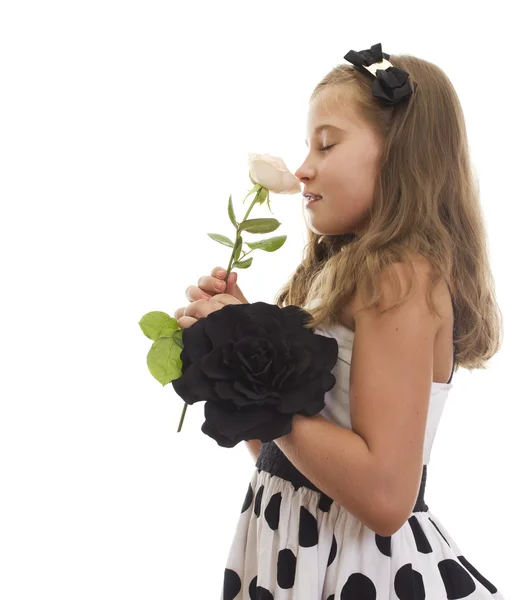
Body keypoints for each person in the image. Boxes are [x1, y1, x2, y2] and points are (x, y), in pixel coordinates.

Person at [174, 43, 505, 600]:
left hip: (357, 570)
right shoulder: (336, 273)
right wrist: (232, 351)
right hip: (295, 549)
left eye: (326, 144)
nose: (303, 168)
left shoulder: (398, 277)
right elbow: (285, 456)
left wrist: (259, 377)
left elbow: (384, 499)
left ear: (401, 155)